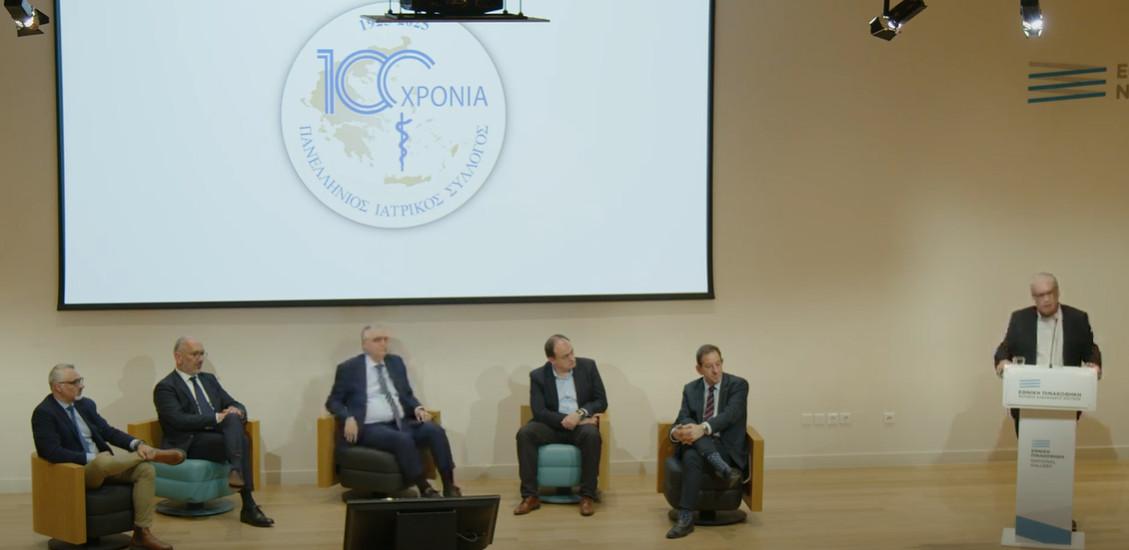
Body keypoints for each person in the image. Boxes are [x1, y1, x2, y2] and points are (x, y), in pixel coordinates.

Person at [32, 363, 185, 550]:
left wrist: (137, 444)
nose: (81, 385)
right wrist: (90, 458)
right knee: (102, 461)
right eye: (75, 382)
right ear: (58, 387)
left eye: (81, 380)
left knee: (145, 470)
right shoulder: (44, 413)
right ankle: (152, 454)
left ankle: (141, 533)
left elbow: (108, 432)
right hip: (76, 472)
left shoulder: (85, 405)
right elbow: (50, 451)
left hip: (107, 465)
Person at [325, 325, 460, 497]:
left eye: (385, 339)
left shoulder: (395, 363)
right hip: (369, 427)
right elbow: (333, 401)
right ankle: (424, 488)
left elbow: (406, 394)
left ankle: (449, 485)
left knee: (434, 430)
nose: (383, 343)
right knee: (402, 439)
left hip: (401, 422)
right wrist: (347, 417)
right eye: (377, 340)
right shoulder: (349, 368)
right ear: (365, 345)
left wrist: (417, 408)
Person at [153, 337, 274, 527]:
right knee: (242, 439)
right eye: (195, 354)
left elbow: (233, 402)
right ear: (178, 357)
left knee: (233, 418)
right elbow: (178, 420)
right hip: (188, 441)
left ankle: (237, 474)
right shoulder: (166, 387)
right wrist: (216, 417)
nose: (200, 359)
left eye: (202, 354)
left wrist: (238, 410)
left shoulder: (208, 379)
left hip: (215, 435)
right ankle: (248, 505)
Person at [993, 273, 1102, 434]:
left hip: (1065, 397)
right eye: (1040, 295)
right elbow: (1005, 348)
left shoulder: (1077, 318)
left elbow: (1090, 349)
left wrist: (1095, 364)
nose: (1046, 299)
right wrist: (1002, 361)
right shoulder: (1020, 318)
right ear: (1033, 297)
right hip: (1028, 398)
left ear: (1058, 292)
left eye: (1050, 293)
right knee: (1030, 448)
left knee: (1061, 446)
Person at [514, 334, 607, 517]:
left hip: (581, 426)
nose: (572, 358)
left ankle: (587, 495)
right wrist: (568, 419)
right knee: (525, 433)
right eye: (565, 356)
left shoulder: (588, 366)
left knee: (592, 435)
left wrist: (579, 415)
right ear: (552, 359)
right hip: (551, 426)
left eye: (572, 352)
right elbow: (539, 412)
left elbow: (601, 401)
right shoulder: (538, 376)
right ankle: (530, 496)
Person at [665, 345, 748, 539]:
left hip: (726, 447)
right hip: (699, 447)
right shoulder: (690, 389)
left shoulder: (738, 385)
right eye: (709, 366)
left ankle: (685, 517)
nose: (716, 370)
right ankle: (718, 465)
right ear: (699, 369)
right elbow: (682, 418)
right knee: (692, 453)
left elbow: (730, 415)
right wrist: (677, 433)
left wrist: (701, 429)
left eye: (718, 364)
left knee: (692, 449)